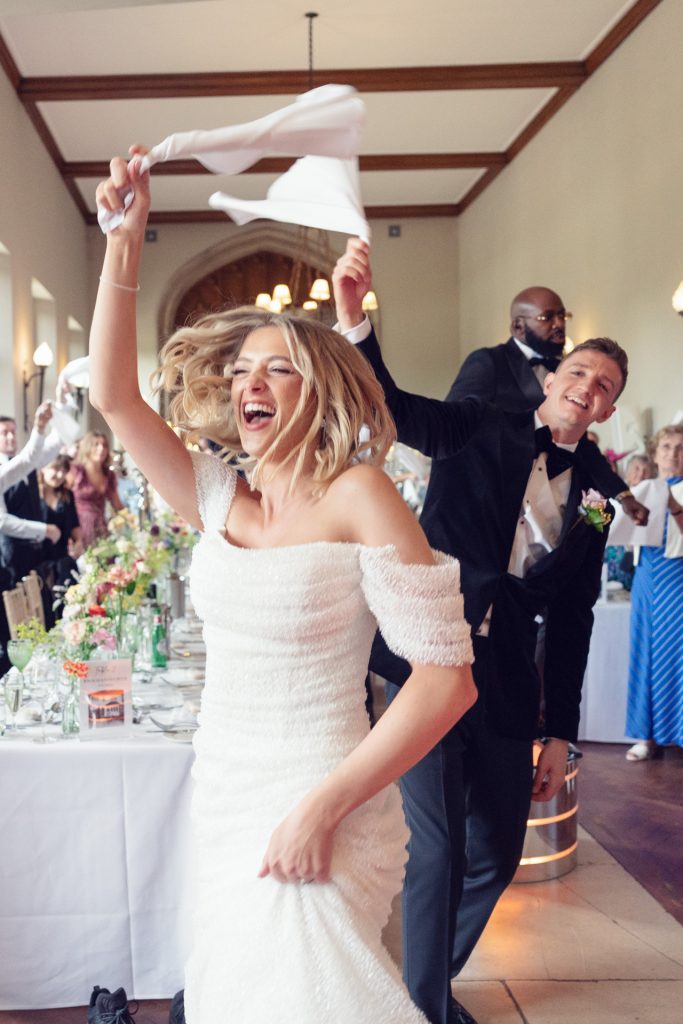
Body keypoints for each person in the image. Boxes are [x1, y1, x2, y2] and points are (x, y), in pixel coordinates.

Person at [87, 150, 477, 1024]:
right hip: (223, 787)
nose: (245, 382)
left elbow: (446, 680)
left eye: (274, 367)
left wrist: (322, 807)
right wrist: (124, 240)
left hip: (321, 788)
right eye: (238, 371)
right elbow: (114, 397)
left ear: (321, 389)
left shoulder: (361, 495)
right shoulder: (219, 494)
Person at [333, 238, 628, 1024]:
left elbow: (572, 617)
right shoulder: (484, 425)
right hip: (424, 654)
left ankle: (408, 985)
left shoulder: (599, 497)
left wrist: (560, 734)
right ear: (550, 378)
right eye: (577, 373)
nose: (585, 389)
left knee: (495, 854)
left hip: (501, 681)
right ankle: (423, 1008)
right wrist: (356, 322)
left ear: (606, 408)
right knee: (435, 846)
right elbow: (398, 412)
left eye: (602, 387)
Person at [446, 286, 648, 527]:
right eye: (548, 317)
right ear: (518, 326)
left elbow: (581, 444)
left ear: (606, 413)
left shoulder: (567, 368)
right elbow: (456, 424)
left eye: (563, 316)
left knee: (590, 536)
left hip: (554, 496)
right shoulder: (489, 362)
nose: (559, 324)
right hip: (493, 498)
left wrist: (622, 495)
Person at [625, 425, 683, 761]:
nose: (672, 453)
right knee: (644, 650)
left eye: (679, 447)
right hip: (646, 576)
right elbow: (610, 530)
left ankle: (677, 730)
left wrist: (674, 505)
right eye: (666, 446)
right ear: (655, 452)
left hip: (678, 576)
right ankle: (645, 736)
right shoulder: (639, 489)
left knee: (677, 654)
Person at [37, 454, 82, 607]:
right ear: (43, 468)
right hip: (38, 562)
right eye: (56, 469)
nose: (60, 475)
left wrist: (79, 543)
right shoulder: (34, 495)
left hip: (63, 560)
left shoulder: (67, 495)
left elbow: (75, 526)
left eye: (64, 471)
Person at [70, 430, 123, 547]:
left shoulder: (108, 475)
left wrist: (129, 520)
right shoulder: (76, 471)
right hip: (78, 529)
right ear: (87, 447)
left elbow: (118, 505)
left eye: (104, 445)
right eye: (96, 445)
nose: (101, 449)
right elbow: (64, 499)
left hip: (100, 528)